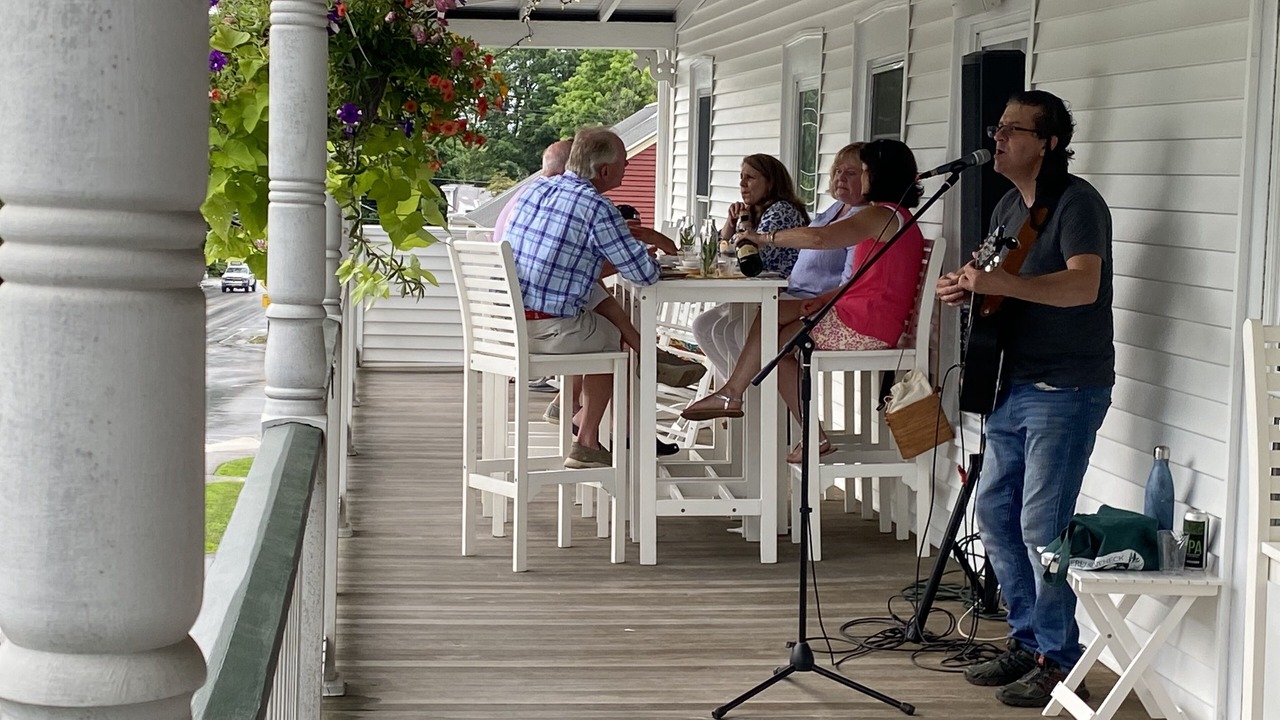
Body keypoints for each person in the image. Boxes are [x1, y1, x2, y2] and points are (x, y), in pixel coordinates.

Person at [935, 90, 1113, 708]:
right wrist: (967, 287)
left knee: (1042, 525)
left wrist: (1002, 282)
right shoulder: (1010, 205)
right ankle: (1028, 637)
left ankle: (1061, 662)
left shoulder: (1077, 203)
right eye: (998, 127)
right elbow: (995, 281)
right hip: (1013, 380)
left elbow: (1083, 285)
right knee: (996, 515)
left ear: (1049, 143)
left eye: (1014, 130)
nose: (1000, 138)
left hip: (1066, 386)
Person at [681, 139, 927, 464]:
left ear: (880, 176)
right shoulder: (892, 216)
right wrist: (825, 298)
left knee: (773, 332)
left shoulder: (881, 215)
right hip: (855, 313)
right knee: (774, 329)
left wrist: (763, 237)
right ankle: (763, 410)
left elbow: (820, 238)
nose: (860, 178)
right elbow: (871, 281)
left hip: (864, 326)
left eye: (863, 171)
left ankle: (737, 395)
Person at [505, 127, 671, 468]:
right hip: (545, 332)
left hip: (506, 326)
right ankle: (586, 439)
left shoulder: (535, 188)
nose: (626, 168)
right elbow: (645, 275)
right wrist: (650, 248)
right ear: (605, 171)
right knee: (609, 337)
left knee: (591, 297)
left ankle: (577, 408)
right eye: (624, 163)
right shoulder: (597, 207)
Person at [692, 143, 867, 385]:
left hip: (808, 298)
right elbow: (722, 252)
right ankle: (745, 397)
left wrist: (753, 235)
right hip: (790, 292)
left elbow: (748, 260)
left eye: (850, 173)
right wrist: (732, 224)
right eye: (837, 171)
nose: (742, 184)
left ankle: (754, 399)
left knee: (736, 330)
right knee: (707, 325)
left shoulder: (784, 212)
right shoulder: (836, 209)